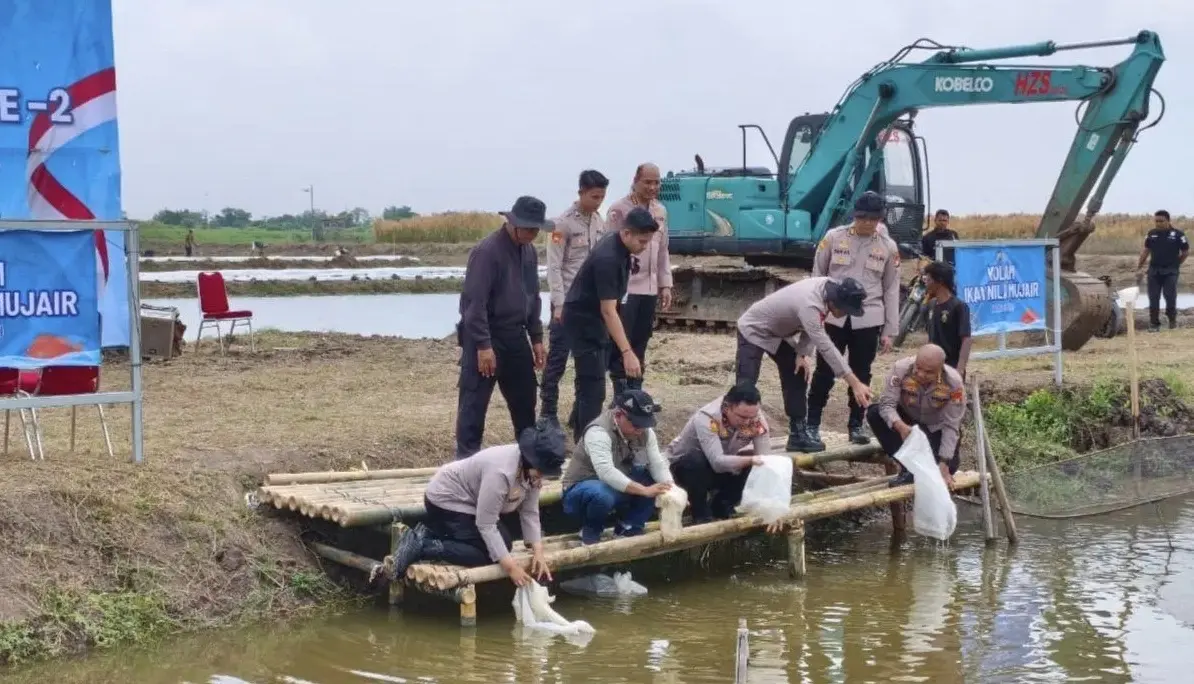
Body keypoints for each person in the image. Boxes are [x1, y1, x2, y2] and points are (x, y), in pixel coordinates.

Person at [388, 423, 568, 586]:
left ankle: (433, 533)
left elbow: (529, 511)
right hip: (446, 500)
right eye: (541, 471)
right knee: (493, 555)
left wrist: (538, 551)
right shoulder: (500, 473)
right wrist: (511, 568)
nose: (542, 476)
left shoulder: (532, 474)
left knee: (501, 547)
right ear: (530, 460)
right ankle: (423, 545)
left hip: (472, 504)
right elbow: (486, 524)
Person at [454, 196, 549, 459]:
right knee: (473, 408)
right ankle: (465, 466)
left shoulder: (529, 251)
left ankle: (528, 466)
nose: (532, 234)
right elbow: (474, 304)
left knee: (525, 404)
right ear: (512, 222)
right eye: (528, 228)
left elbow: (533, 296)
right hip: (485, 336)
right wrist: (484, 346)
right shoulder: (487, 252)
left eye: (535, 230)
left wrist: (537, 337)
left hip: (516, 336)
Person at [735, 276, 874, 452]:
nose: (846, 315)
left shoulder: (826, 288)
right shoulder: (811, 303)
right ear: (836, 302)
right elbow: (824, 345)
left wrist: (801, 354)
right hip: (754, 328)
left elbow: (814, 324)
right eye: (846, 310)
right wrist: (854, 383)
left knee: (797, 372)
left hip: (778, 333)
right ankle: (734, 432)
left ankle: (797, 434)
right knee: (745, 385)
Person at [806, 191, 901, 447]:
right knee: (825, 370)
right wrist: (818, 311)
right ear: (854, 215)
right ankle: (812, 424)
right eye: (862, 218)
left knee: (862, 373)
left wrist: (889, 330)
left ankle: (856, 425)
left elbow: (891, 288)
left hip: (868, 318)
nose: (867, 223)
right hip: (834, 316)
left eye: (873, 219)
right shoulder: (834, 238)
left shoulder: (887, 246)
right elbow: (818, 275)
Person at [561, 207, 659, 442]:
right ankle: (586, 445)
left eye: (648, 241)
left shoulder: (621, 247)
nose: (644, 246)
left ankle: (591, 432)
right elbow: (608, 309)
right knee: (593, 389)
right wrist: (627, 352)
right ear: (626, 233)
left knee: (593, 383)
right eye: (642, 241)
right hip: (585, 322)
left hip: (600, 320)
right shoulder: (608, 257)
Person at [540, 170, 609, 427]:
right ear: (581, 192)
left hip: (590, 307)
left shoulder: (600, 222)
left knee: (588, 364)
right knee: (557, 361)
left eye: (602, 197)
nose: (598, 201)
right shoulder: (562, 224)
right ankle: (547, 414)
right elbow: (554, 266)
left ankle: (579, 415)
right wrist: (559, 304)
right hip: (567, 304)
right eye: (594, 196)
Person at [560, 389, 675, 545]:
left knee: (653, 480)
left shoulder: (645, 433)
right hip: (581, 490)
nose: (640, 429)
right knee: (601, 494)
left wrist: (672, 490)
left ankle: (629, 528)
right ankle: (590, 533)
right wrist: (644, 491)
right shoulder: (598, 432)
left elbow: (657, 464)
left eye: (644, 423)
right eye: (635, 424)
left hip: (617, 484)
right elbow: (606, 472)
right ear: (619, 415)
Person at [606, 163, 673, 395]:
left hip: (650, 288)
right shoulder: (619, 210)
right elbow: (609, 250)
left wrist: (665, 284)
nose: (652, 187)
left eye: (656, 182)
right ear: (635, 180)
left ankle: (636, 393)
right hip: (627, 287)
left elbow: (663, 249)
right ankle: (621, 395)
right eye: (647, 182)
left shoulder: (661, 211)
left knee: (642, 341)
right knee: (621, 342)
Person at [667, 382, 771, 523]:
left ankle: (723, 505)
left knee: (758, 463)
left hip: (721, 465)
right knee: (695, 461)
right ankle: (701, 514)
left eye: (752, 417)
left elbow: (765, 458)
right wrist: (751, 460)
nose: (748, 422)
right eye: (742, 417)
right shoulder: (707, 418)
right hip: (686, 469)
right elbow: (717, 462)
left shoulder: (755, 418)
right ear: (727, 407)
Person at [866, 344, 966, 488]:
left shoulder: (954, 384)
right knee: (875, 413)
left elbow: (951, 425)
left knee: (947, 467)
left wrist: (944, 464)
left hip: (934, 428)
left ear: (940, 369)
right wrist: (899, 425)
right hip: (907, 423)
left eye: (929, 372)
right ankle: (909, 467)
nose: (921, 375)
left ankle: (930, 466)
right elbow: (887, 405)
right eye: (918, 368)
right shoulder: (900, 369)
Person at [1137, 209, 1188, 332]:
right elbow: (1146, 251)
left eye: (1161, 221)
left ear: (1168, 221)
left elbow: (1185, 253)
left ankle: (1172, 322)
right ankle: (1154, 324)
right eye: (1156, 221)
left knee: (1170, 296)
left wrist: (1176, 264)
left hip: (1170, 271)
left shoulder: (1178, 235)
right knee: (1153, 297)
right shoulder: (1151, 233)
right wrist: (1139, 266)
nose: (1158, 223)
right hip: (1154, 271)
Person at [922, 261, 972, 378]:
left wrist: (959, 369)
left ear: (939, 281)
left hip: (952, 368)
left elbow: (966, 340)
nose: (926, 284)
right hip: (933, 368)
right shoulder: (930, 305)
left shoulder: (959, 306)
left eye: (928, 280)